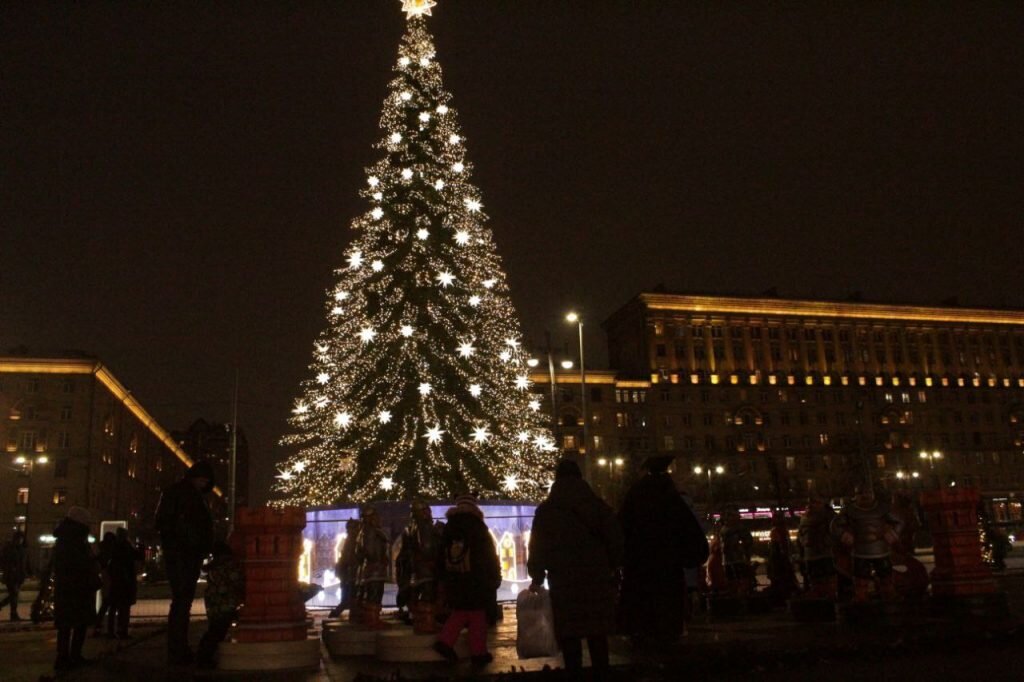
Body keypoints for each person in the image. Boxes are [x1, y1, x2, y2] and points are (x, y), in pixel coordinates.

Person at [528, 458, 623, 678]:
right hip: (596, 577)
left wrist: (537, 575)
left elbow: (538, 545)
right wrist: (613, 564)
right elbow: (615, 539)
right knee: (597, 634)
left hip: (563, 580)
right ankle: (602, 673)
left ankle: (574, 673)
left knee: (570, 635)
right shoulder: (597, 506)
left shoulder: (547, 510)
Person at [618, 456, 708, 648]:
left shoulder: (635, 494)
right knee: (667, 612)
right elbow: (687, 528)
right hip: (668, 565)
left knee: (644, 612)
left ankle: (643, 639)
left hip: (639, 565)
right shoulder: (671, 497)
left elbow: (622, 526)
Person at [155, 459, 215, 664]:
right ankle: (177, 649)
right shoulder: (185, 495)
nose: (204, 483)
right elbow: (170, 524)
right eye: (202, 479)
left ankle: (178, 647)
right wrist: (192, 543)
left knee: (182, 602)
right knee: (182, 601)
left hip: (186, 553)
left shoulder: (187, 495)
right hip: (184, 554)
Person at [433, 494, 500, 666]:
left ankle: (446, 641)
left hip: (454, 578)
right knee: (478, 615)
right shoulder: (478, 528)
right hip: (476, 579)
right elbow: (488, 556)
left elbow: (440, 555)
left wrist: (442, 578)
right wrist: (494, 576)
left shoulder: (449, 528)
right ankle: (478, 653)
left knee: (461, 611)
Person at [831, 484, 902, 602]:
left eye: (868, 493)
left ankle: (888, 593)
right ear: (856, 496)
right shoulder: (850, 510)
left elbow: (899, 521)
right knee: (860, 576)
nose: (864, 496)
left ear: (872, 494)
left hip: (880, 549)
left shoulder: (882, 508)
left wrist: (891, 535)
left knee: (885, 574)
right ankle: (861, 595)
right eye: (860, 493)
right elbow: (835, 525)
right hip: (859, 550)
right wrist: (845, 536)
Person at [53, 507, 101, 672]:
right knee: (77, 623)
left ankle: (65, 657)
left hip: (67, 588)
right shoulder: (76, 541)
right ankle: (71, 656)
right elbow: (81, 563)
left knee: (66, 625)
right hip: (78, 588)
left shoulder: (64, 539)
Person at [196, 541, 245, 668]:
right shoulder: (229, 565)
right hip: (225, 604)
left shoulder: (214, 567)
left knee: (214, 630)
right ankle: (203, 658)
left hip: (214, 604)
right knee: (217, 632)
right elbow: (236, 580)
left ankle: (203, 656)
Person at [399, 499, 444, 633]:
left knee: (419, 594)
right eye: (426, 510)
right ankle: (427, 624)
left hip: (415, 569)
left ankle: (421, 622)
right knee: (428, 595)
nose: (429, 513)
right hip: (427, 568)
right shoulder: (424, 526)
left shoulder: (410, 528)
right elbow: (427, 546)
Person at [354, 503, 390, 629]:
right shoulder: (369, 532)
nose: (378, 519)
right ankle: (372, 620)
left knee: (373, 594)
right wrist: (378, 560)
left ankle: (372, 619)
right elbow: (370, 551)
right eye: (375, 517)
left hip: (372, 569)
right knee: (374, 594)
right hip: (374, 569)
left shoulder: (364, 532)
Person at [108, 528, 144, 639]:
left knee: (114, 607)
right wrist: (140, 547)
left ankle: (112, 630)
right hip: (125, 581)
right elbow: (138, 556)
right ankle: (122, 630)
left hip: (116, 580)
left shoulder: (114, 547)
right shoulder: (126, 546)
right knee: (124, 607)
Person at [328, 518, 360, 619]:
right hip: (349, 575)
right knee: (349, 598)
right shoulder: (351, 541)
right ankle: (337, 614)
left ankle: (351, 615)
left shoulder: (351, 540)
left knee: (350, 598)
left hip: (348, 574)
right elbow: (349, 559)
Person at [720, 506, 755, 596]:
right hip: (728, 559)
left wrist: (743, 551)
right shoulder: (724, 529)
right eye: (727, 516)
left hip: (739, 559)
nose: (728, 518)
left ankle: (742, 596)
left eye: (731, 516)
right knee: (731, 579)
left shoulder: (740, 529)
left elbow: (748, 542)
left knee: (741, 579)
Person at [0, 529, 30, 621]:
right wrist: (10, 568)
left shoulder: (23, 549)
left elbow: (25, 563)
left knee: (14, 595)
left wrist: (28, 572)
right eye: (19, 539)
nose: (20, 540)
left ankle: (12, 613)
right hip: (11, 576)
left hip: (19, 576)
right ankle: (13, 614)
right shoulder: (9, 548)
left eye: (21, 539)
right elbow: (3, 561)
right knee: (14, 594)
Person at [93, 532, 117, 637]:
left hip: (106, 579)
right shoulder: (110, 552)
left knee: (106, 605)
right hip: (110, 579)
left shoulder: (101, 551)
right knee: (110, 605)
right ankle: (109, 629)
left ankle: (98, 626)